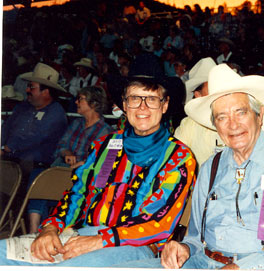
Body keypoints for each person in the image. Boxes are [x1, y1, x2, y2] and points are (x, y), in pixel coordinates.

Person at [117, 64, 264, 270]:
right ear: (215, 126)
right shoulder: (211, 167)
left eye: (240, 112)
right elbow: (196, 236)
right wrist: (184, 248)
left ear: (259, 115)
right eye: (222, 117)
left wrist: (241, 267)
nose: (232, 125)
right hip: (203, 262)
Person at [0, 78, 197, 267]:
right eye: (135, 98)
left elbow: (159, 223)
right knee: (2, 253)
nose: (142, 107)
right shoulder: (105, 145)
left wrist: (101, 240)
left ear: (164, 105)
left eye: (152, 99)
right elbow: (77, 194)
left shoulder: (178, 157)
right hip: (82, 235)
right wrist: (51, 227)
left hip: (134, 246)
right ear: (125, 105)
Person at [27, 86, 114, 234]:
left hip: (79, 176)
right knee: (39, 176)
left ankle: (39, 230)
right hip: (60, 170)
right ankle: (34, 230)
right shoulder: (76, 124)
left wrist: (83, 162)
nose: (76, 102)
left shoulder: (105, 131)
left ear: (93, 104)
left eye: (80, 99)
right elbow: (61, 145)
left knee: (43, 181)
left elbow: (102, 160)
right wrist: (67, 152)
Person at [1, 63, 68, 177]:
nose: (27, 89)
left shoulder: (56, 113)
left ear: (45, 92)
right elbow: (6, 128)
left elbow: (36, 137)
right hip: (11, 158)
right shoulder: (23, 107)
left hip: (35, 165)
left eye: (31, 87)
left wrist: (6, 148)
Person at [174, 57, 222, 167]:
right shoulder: (188, 125)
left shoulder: (234, 120)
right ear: (198, 95)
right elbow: (174, 161)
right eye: (212, 86)